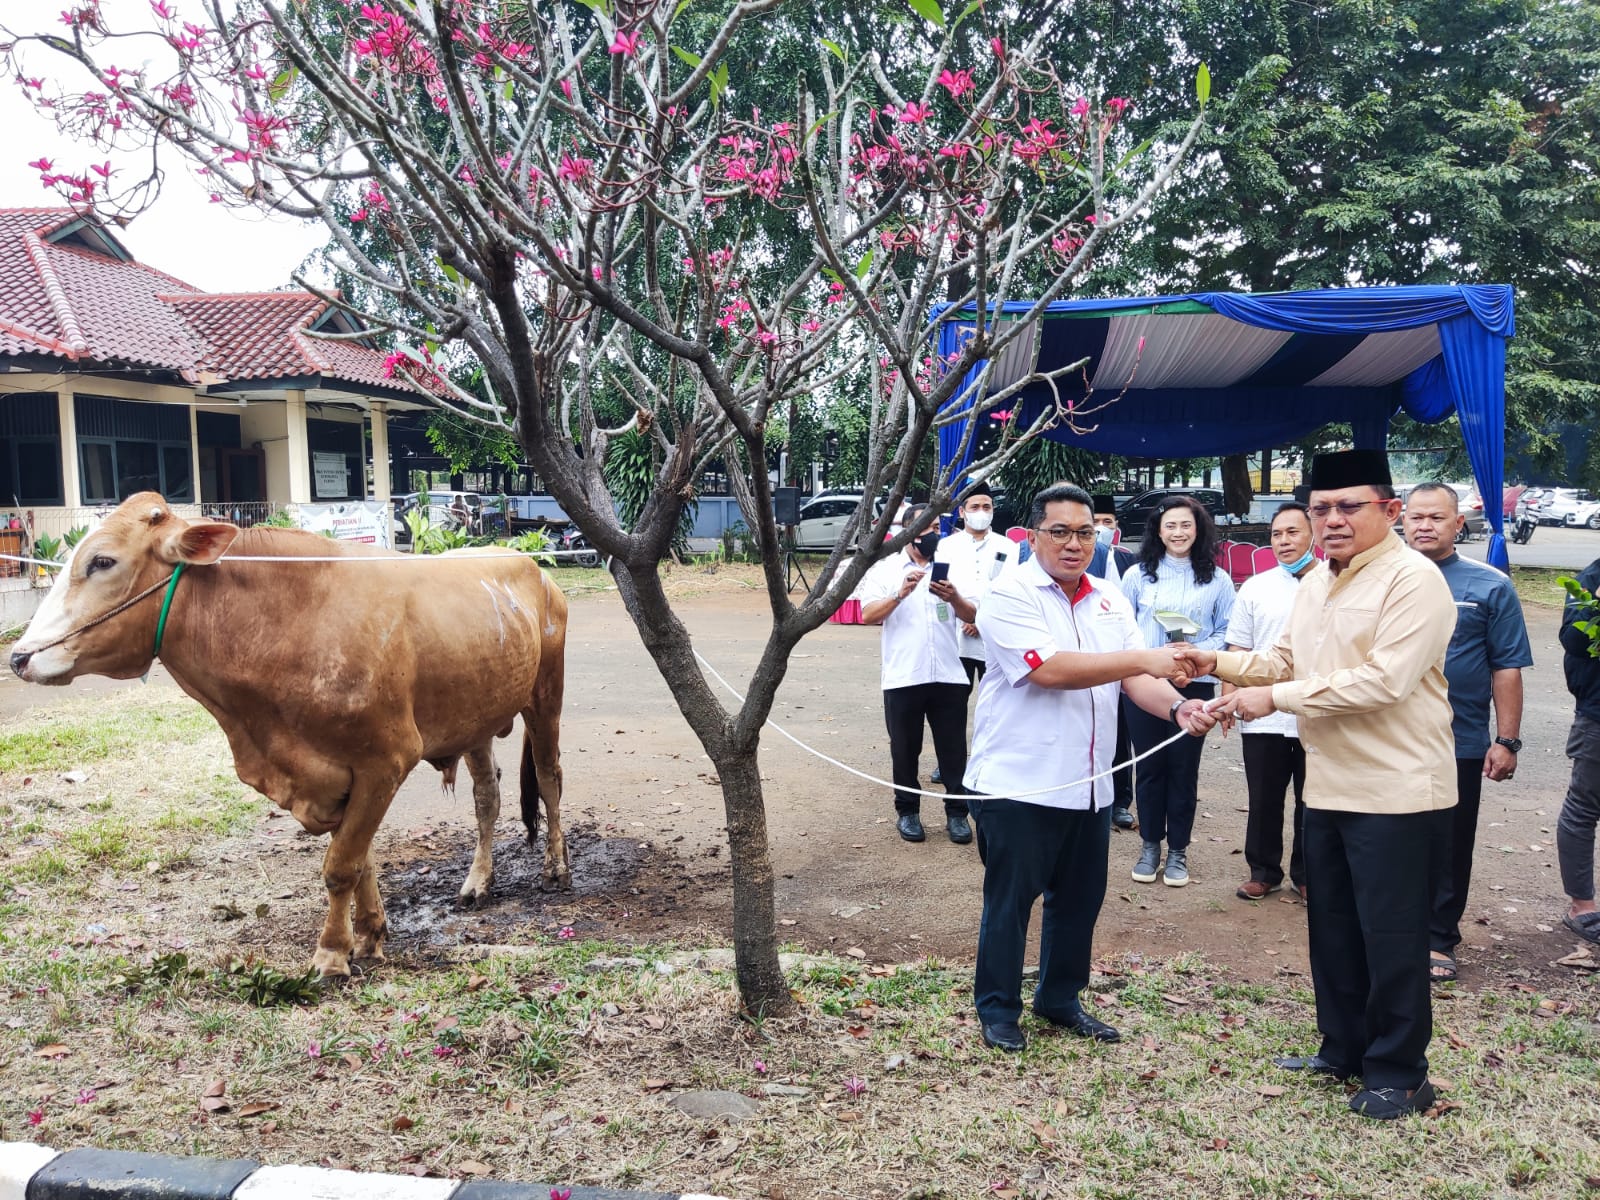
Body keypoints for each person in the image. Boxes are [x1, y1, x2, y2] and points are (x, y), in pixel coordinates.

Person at [1181, 449, 1457, 1121]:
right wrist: (1214, 660)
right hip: (1329, 786)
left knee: (1391, 936)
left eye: (1348, 507)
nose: (1331, 520)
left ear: (1388, 511)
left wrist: (1273, 698)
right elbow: (1283, 657)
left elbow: (1383, 682)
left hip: (1395, 790)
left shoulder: (1412, 581)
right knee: (1332, 927)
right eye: (1321, 508)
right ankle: (1344, 1049)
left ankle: (1400, 1072)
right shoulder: (1317, 582)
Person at [965, 483, 1218, 1053]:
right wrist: (1143, 658)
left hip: (1090, 787)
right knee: (1010, 904)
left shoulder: (1108, 595)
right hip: (1019, 784)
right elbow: (1049, 670)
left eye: (1085, 532)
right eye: (1060, 532)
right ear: (1033, 537)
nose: (1074, 543)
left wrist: (1179, 707)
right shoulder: (1009, 595)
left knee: (1078, 902)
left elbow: (1136, 680)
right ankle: (998, 1009)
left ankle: (1059, 998)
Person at [1402, 482, 1532, 982]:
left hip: (1457, 741)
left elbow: (1507, 667)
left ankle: (1438, 937)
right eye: (1416, 517)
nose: (1425, 526)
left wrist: (1507, 739)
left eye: (1436, 517)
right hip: (1386, 738)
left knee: (1449, 841)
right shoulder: (1383, 579)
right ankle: (1393, 934)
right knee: (1388, 838)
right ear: (1401, 519)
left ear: (1460, 524)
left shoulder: (1489, 585)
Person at [1118, 495, 1235, 886]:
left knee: (1183, 769)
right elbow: (1123, 627)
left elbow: (1228, 632)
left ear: (1198, 529)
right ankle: (1150, 845)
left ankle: (1179, 852)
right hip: (1146, 681)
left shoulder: (1216, 579)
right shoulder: (1138, 575)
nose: (1178, 532)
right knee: (1149, 767)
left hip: (1195, 682)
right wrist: (1149, 656)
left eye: (1186, 525)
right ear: (1158, 530)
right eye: (1170, 525)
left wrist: (1199, 652)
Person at [860, 503, 978, 845]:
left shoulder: (952, 567)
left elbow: (973, 613)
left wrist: (954, 596)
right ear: (909, 532)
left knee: (953, 749)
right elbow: (869, 614)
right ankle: (907, 812)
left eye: (937, 527)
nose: (933, 535)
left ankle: (957, 815)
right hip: (903, 675)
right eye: (926, 529)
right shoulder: (886, 569)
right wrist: (900, 594)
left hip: (948, 674)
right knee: (905, 748)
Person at [1226, 502, 1317, 901]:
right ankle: (1263, 871)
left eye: (1293, 532)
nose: (1284, 541)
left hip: (1315, 712)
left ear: (1313, 534)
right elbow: (1239, 648)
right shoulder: (1256, 587)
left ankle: (1308, 873)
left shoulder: (1333, 583)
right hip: (1262, 715)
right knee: (1263, 798)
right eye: (1278, 534)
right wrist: (1228, 699)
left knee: (1312, 800)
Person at [1090, 494, 1140, 830]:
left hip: (1120, 656)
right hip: (1085, 660)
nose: (1101, 529)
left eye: (1108, 522)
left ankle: (1120, 800)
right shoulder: (1080, 561)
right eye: (1095, 524)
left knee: (1121, 734)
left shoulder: (1127, 561)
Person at [1559, 557, 1600, 948]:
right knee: (1585, 806)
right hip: (1598, 715)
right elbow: (1573, 640)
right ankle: (1581, 906)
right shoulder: (1592, 576)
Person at [937, 482, 1013, 689]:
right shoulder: (946, 547)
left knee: (997, 702)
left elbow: (1010, 591)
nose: (981, 512)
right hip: (956, 637)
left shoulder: (1008, 547)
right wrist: (965, 618)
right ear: (962, 512)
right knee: (954, 704)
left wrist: (980, 621)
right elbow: (939, 589)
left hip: (995, 639)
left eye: (986, 507)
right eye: (975, 507)